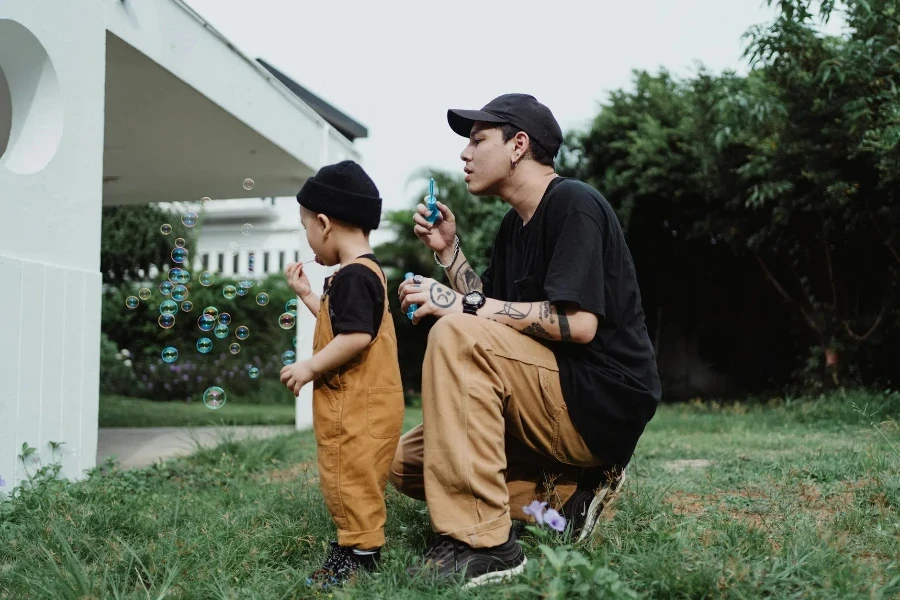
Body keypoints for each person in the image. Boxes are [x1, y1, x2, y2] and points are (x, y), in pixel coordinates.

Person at [393, 94, 661, 587]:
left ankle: (486, 545)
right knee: (406, 465)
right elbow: (490, 315)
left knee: (456, 330)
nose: (464, 154)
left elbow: (577, 323)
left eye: (477, 140)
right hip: (546, 392)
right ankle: (565, 498)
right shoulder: (512, 227)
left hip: (597, 399)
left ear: (518, 146)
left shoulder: (574, 204)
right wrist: (450, 254)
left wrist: (456, 307)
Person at [281, 160, 405, 587]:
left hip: (357, 407)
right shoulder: (363, 272)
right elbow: (340, 326)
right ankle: (354, 544)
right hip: (370, 404)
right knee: (354, 478)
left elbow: (353, 338)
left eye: (305, 227)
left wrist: (309, 366)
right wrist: (307, 295)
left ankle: (361, 556)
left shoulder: (352, 277)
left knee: (350, 478)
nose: (307, 236)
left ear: (324, 222)